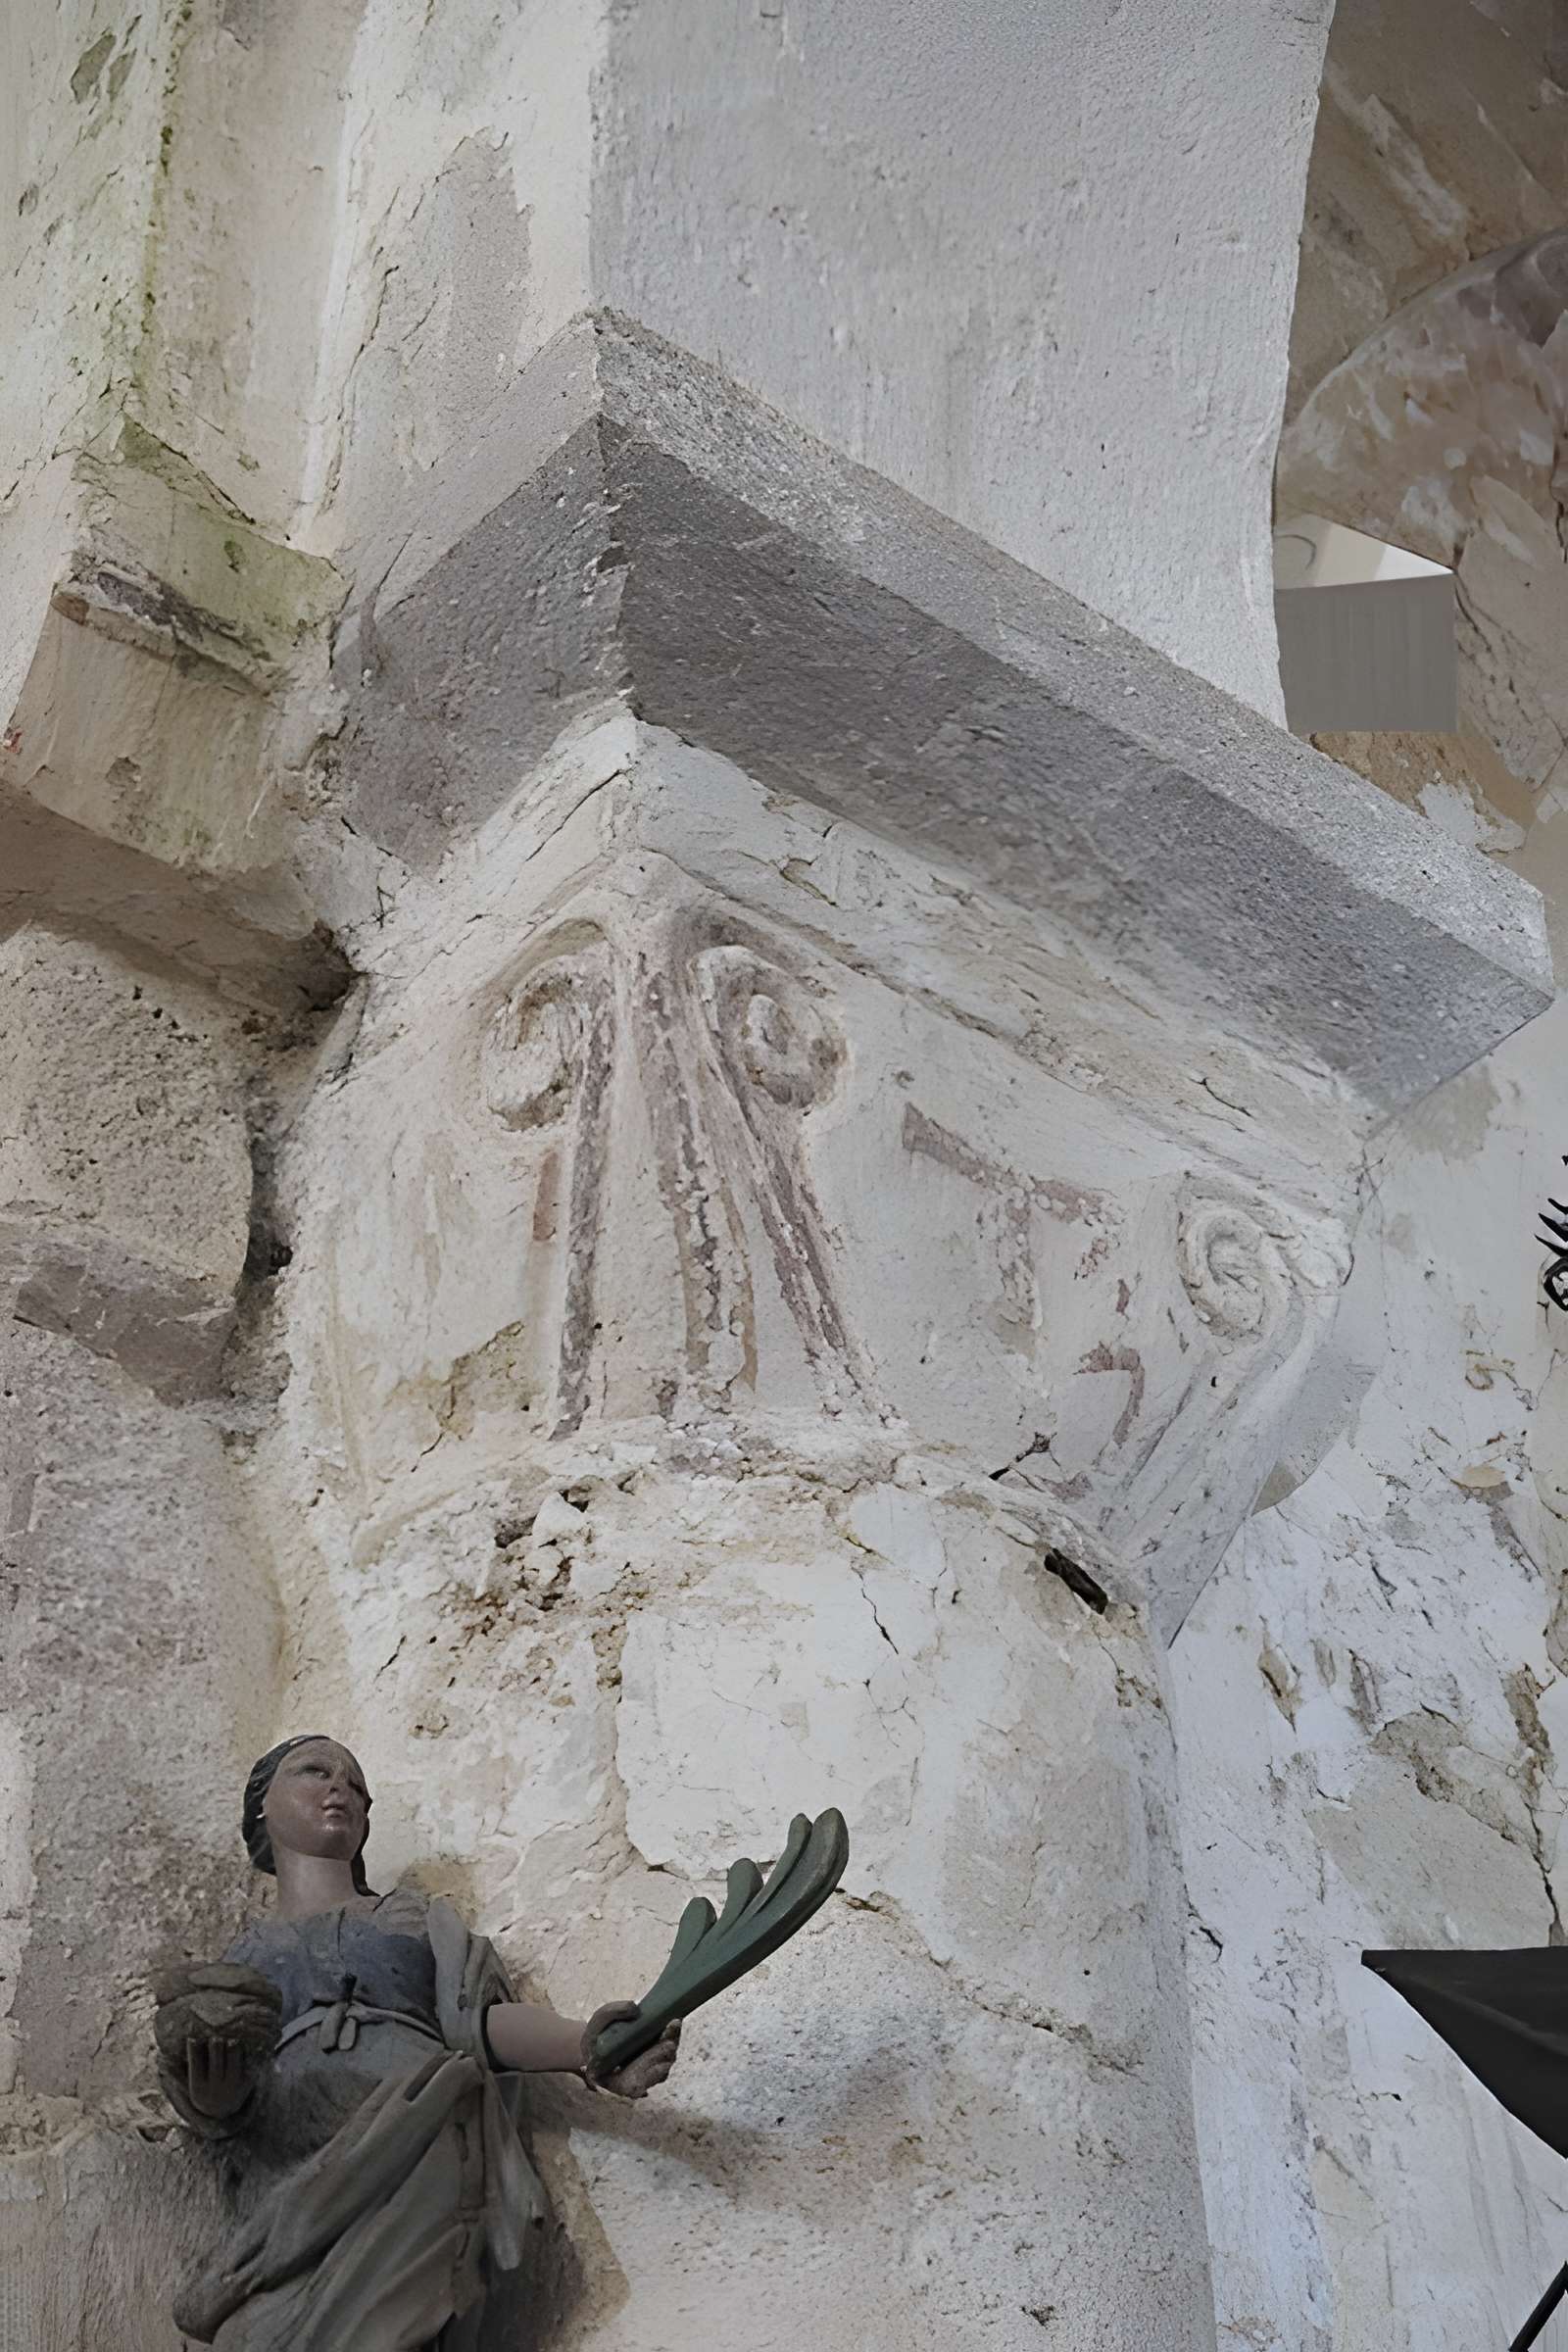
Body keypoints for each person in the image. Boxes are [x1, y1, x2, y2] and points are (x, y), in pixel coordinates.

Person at [153, 1734, 680, 2351]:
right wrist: (214, 2095)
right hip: (290, 2167)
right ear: (261, 1807)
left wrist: (588, 2048)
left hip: (419, 2123)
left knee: (395, 2323)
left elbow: (477, 2023)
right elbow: (222, 2104)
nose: (339, 1790)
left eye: (356, 1787)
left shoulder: (411, 1919)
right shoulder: (240, 1955)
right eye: (315, 1772)